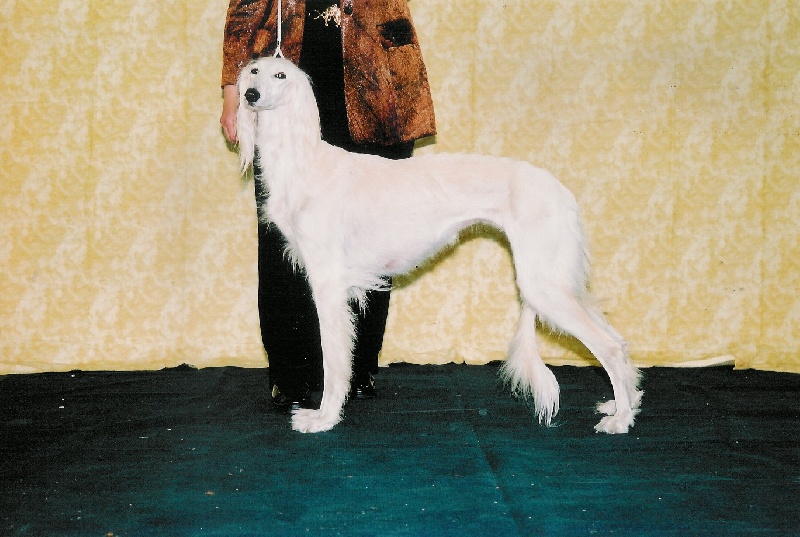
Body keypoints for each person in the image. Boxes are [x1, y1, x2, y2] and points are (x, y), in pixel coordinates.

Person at [220, 0, 436, 410]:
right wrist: (232, 94)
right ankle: (293, 375)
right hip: (289, 83)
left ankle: (357, 369)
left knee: (373, 236)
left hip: (377, 85)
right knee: (285, 244)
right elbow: (244, 16)